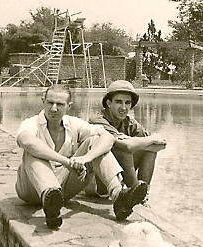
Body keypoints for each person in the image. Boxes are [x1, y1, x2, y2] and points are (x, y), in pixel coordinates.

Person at [15, 84, 148, 229]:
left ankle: (118, 196)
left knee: (95, 141)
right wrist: (66, 162)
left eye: (59, 104)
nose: (54, 108)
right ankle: (49, 199)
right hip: (30, 189)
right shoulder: (31, 123)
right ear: (43, 101)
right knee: (33, 150)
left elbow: (108, 137)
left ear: (69, 106)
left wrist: (87, 158)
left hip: (62, 190)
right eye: (50, 103)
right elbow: (26, 141)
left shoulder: (74, 124)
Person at [89, 80, 166, 197]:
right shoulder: (98, 121)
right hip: (96, 181)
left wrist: (137, 141)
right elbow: (126, 146)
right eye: (119, 102)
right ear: (109, 103)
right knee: (125, 150)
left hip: (116, 176)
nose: (124, 107)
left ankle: (143, 194)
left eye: (127, 103)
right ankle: (135, 196)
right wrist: (148, 140)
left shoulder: (128, 122)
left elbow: (161, 144)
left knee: (149, 152)